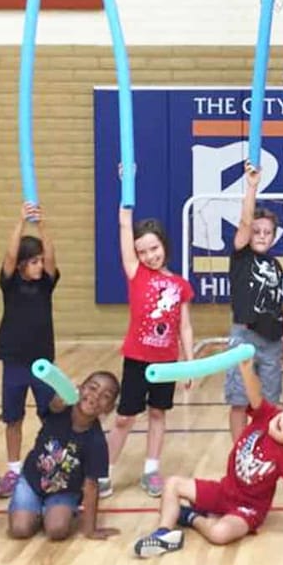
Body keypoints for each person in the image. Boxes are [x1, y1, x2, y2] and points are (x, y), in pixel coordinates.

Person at [132, 357, 283, 557]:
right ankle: (163, 535)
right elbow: (255, 394)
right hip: (224, 491)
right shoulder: (266, 415)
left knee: (219, 533)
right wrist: (246, 369)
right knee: (172, 484)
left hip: (248, 510)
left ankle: (191, 517)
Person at [104, 209, 194, 498]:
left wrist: (189, 364)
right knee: (124, 418)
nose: (149, 256)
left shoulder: (180, 285)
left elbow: (185, 327)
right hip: (137, 360)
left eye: (154, 248)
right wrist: (125, 212)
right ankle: (103, 472)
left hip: (166, 363)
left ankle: (151, 470)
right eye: (142, 251)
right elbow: (124, 227)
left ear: (164, 245)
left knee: (158, 413)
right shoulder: (136, 272)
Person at [0, 202, 61, 498]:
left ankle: (53, 465)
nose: (40, 266)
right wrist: (21, 222)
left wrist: (41, 224)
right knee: (13, 418)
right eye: (33, 261)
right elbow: (9, 255)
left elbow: (52, 257)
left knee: (50, 415)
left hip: (42, 362)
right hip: (14, 361)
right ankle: (14, 469)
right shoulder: (10, 284)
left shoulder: (46, 284)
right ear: (21, 265)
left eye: (40, 261)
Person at [8, 371, 122, 541]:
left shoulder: (96, 442)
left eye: (105, 396)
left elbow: (91, 487)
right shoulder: (59, 410)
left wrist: (90, 530)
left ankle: (52, 512)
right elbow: (52, 406)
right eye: (92, 388)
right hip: (31, 481)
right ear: (80, 388)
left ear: (110, 408)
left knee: (57, 531)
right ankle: (36, 510)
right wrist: (58, 399)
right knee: (20, 529)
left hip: (64, 491)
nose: (95, 396)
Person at [224, 163, 283, 441]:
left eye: (268, 232)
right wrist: (252, 187)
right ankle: (240, 450)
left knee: (269, 402)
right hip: (245, 336)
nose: (262, 236)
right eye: (257, 231)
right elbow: (245, 222)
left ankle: (264, 447)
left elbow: (278, 302)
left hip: (271, 340)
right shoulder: (242, 257)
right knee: (240, 400)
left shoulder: (276, 265)